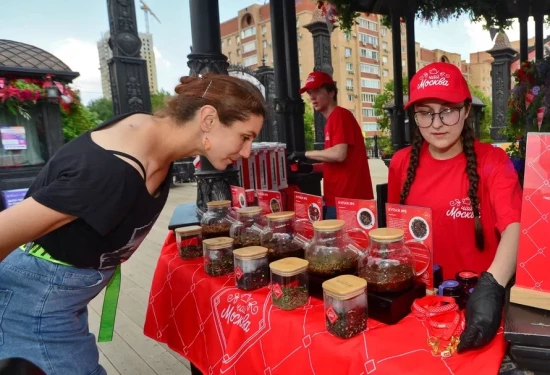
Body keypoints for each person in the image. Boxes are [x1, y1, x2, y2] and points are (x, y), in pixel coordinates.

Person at [0, 73, 265, 374]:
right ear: (208, 118)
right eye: (245, 137)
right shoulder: (112, 172)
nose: (246, 152)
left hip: (59, 298)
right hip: (36, 303)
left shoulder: (152, 134)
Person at [387, 62, 522, 353]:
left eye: (447, 110)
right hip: (416, 309)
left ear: (466, 110)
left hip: (476, 310)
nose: (436, 123)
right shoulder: (400, 163)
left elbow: (515, 227)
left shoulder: (493, 162)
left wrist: (492, 287)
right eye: (425, 112)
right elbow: (394, 232)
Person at [289, 71, 374, 219]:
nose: (312, 97)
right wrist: (310, 167)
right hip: (340, 199)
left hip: (347, 201)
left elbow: (338, 154)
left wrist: (303, 154)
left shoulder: (340, 115)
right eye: (309, 93)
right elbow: (341, 162)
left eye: (317, 91)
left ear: (331, 92)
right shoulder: (333, 120)